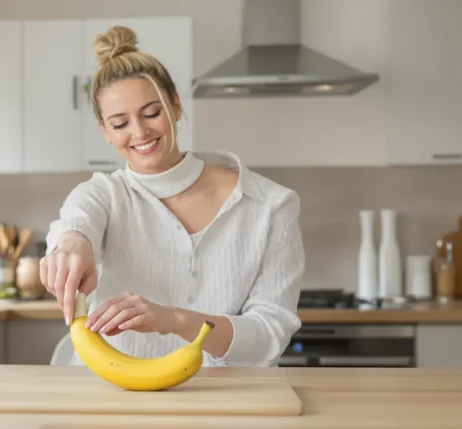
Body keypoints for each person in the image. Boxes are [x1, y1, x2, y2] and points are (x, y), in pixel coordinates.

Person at [40, 25, 305, 367]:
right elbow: (77, 223)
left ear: (176, 106)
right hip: (108, 402)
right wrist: (72, 245)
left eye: (152, 113)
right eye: (120, 124)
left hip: (222, 406)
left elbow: (270, 334)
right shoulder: (103, 194)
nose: (140, 132)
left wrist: (177, 321)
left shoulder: (270, 205)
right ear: (105, 131)